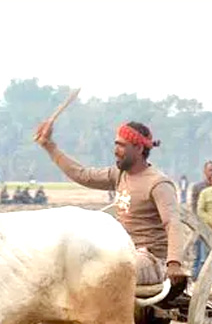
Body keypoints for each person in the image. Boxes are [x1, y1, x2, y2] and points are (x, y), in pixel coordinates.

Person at [35, 119, 188, 292]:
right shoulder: (119, 174)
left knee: (110, 272)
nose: (116, 151)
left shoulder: (158, 183)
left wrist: (174, 263)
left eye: (122, 146)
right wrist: (49, 146)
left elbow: (173, 224)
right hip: (121, 252)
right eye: (116, 144)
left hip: (150, 260)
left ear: (138, 148)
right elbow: (82, 175)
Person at [188, 160, 212, 278]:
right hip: (201, 225)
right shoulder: (198, 187)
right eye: (210, 170)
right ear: (205, 171)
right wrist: (198, 223)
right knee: (199, 255)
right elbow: (195, 207)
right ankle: (196, 278)